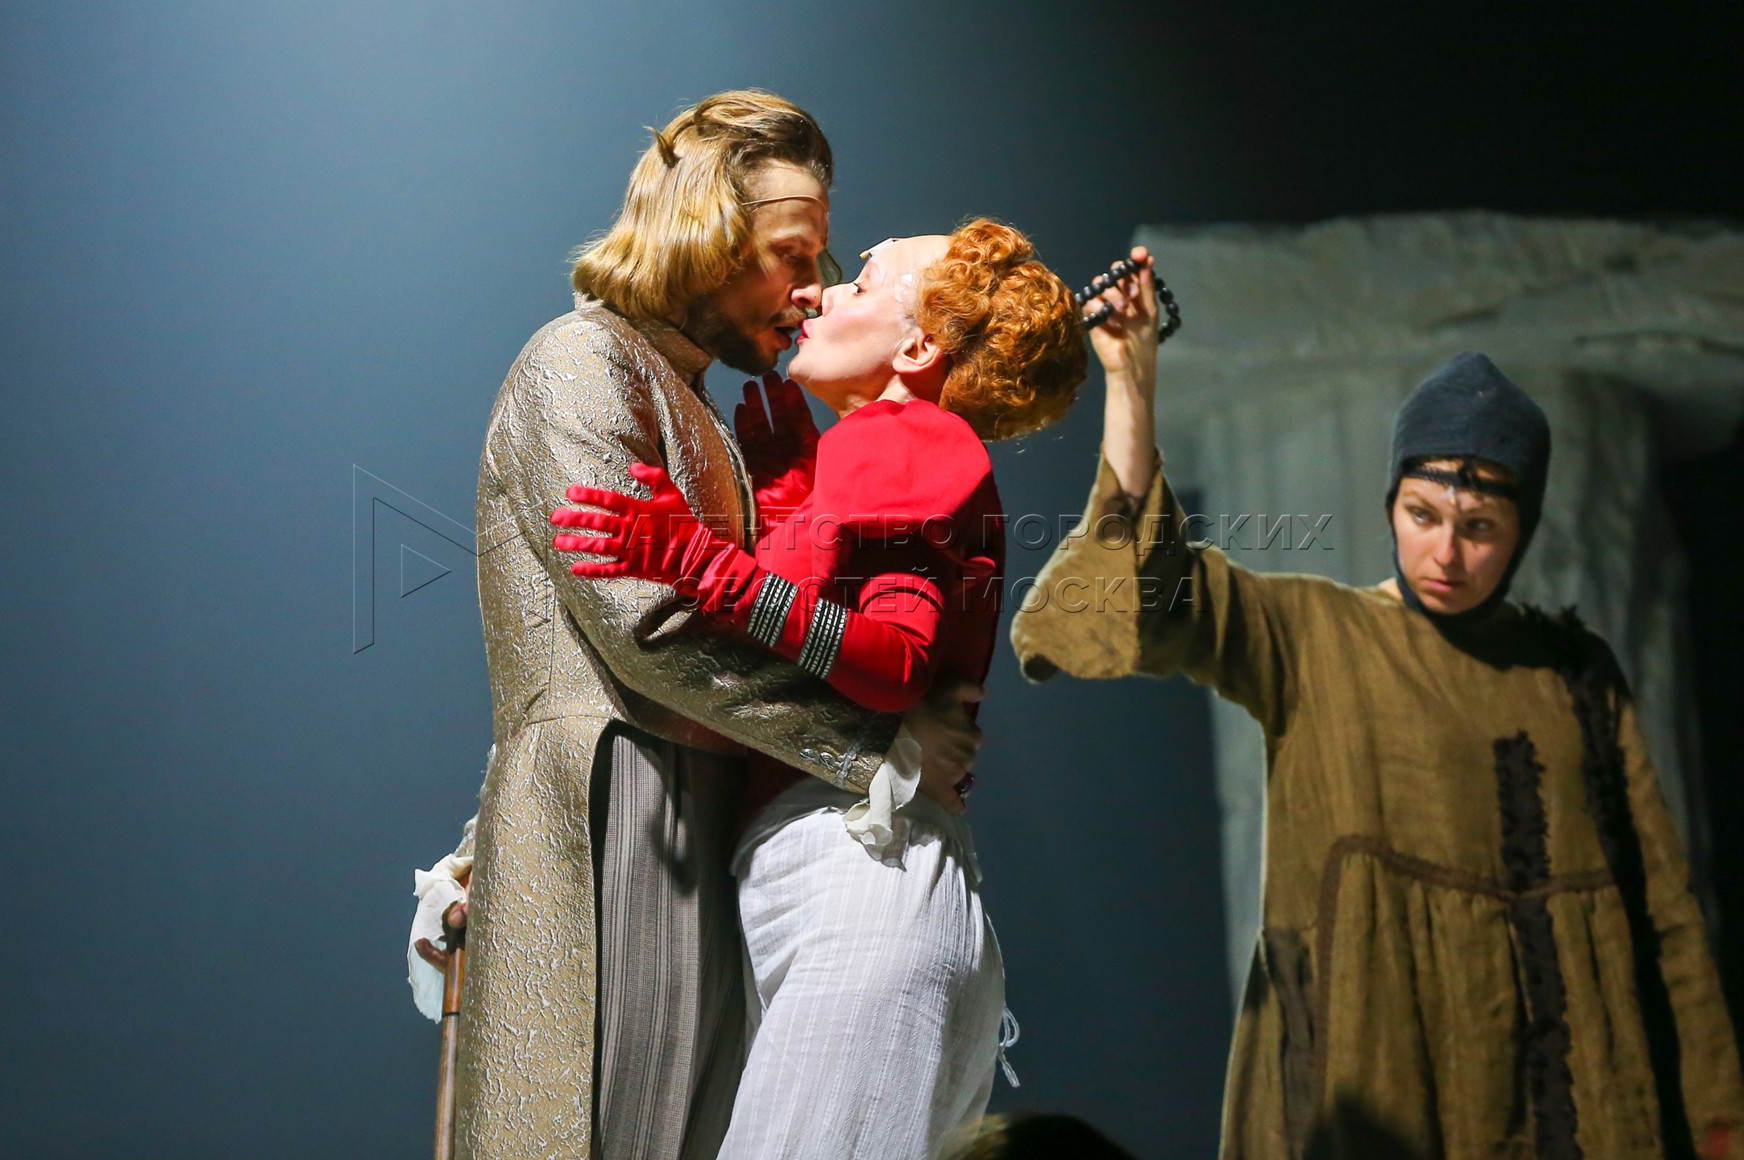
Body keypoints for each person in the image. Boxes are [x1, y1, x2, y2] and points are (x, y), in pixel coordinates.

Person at [1010, 257, 1744, 1159]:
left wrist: (1718, 1125)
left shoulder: (1573, 671)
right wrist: (1133, 388)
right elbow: (1146, 597)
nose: (1446, 553)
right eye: (1422, 514)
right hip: (1381, 1083)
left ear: (1523, 530)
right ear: (1391, 500)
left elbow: (1664, 911)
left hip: (1581, 1101)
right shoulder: (1313, 631)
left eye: (1479, 528)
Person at [418, 90, 983, 1160]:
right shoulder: (579, 361)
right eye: (790, 254)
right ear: (708, 233)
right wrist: (875, 750)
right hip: (617, 803)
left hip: (690, 808)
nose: (811, 288)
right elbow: (645, 627)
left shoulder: (693, 402)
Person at [551, 221, 1087, 1158]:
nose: (820, 294)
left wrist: (704, 564)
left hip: (864, 887)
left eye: (860, 283)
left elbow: (894, 663)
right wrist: (797, 504)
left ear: (916, 349)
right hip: (864, 884)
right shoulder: (885, 444)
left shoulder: (906, 434)